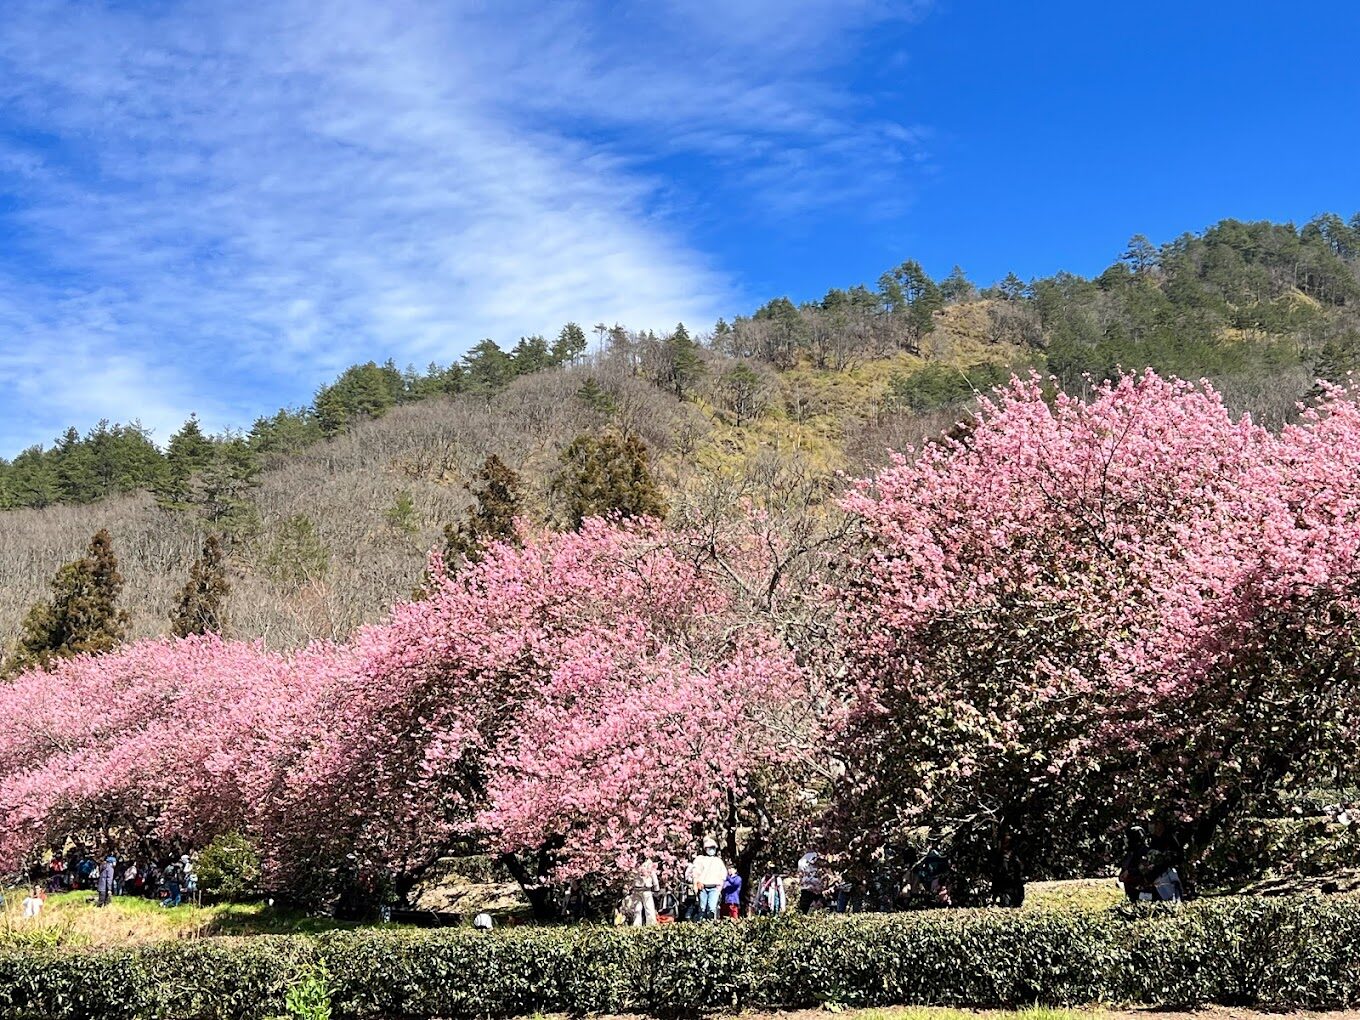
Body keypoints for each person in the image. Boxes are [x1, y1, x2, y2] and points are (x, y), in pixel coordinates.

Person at [689, 837, 726, 920]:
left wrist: (719, 887)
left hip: (714, 887)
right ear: (705, 849)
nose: (712, 850)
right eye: (710, 848)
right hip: (703, 887)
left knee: (712, 908)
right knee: (702, 908)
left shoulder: (718, 861)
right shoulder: (700, 859)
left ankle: (711, 925)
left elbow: (723, 875)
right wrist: (696, 883)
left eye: (713, 848)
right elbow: (695, 873)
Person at [630, 859, 660, 926]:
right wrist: (656, 889)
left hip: (641, 889)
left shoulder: (637, 864)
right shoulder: (646, 865)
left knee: (641, 908)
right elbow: (654, 878)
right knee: (644, 908)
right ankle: (649, 924)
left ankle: (638, 924)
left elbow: (632, 878)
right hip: (642, 890)